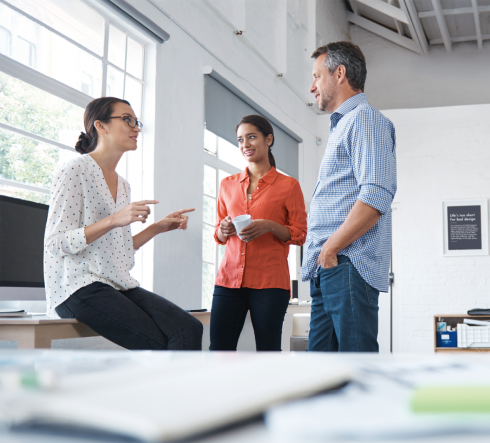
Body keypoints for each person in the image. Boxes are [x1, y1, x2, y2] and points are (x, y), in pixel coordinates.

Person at [44, 97, 202, 350]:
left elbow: (117, 248)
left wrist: (157, 227)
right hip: (77, 287)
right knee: (160, 344)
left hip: (115, 282)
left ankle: (177, 389)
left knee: (190, 327)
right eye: (127, 120)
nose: (136, 128)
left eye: (136, 122)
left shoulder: (123, 185)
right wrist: (115, 219)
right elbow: (55, 243)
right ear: (101, 126)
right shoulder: (74, 169)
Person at [302, 41, 397, 353]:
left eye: (317, 76)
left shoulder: (365, 120)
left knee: (356, 370)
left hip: (345, 263)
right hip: (329, 265)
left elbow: (375, 197)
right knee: (321, 373)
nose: (312, 86)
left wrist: (330, 249)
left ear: (339, 73)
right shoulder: (343, 125)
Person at [211, 115, 307, 351]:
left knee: (268, 351)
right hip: (229, 280)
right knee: (219, 350)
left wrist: (269, 225)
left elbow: (300, 233)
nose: (245, 145)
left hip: (270, 283)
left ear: (269, 139)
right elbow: (218, 234)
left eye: (252, 137)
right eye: (240, 140)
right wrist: (224, 229)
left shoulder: (289, 186)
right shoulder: (227, 184)